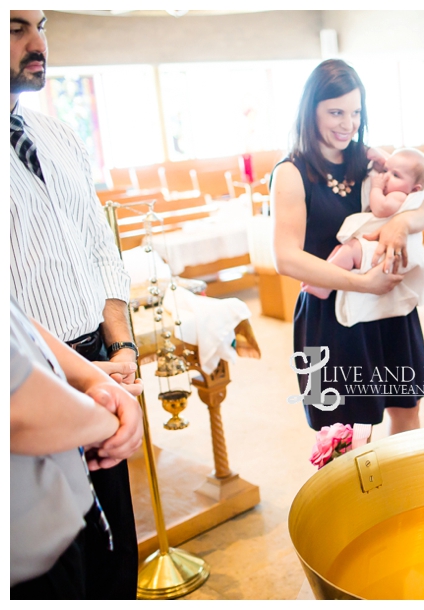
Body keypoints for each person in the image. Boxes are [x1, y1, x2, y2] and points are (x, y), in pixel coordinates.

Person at [10, 10, 141, 598]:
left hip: (96, 364)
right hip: (31, 377)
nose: (39, 44)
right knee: (58, 564)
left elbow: (99, 247)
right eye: (16, 29)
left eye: (41, 26)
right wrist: (83, 384)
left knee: (115, 560)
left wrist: (119, 348)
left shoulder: (57, 134)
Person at [271, 59, 424, 435]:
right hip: (328, 317)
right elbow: (285, 257)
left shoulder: (368, 159)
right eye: (335, 112)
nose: (348, 124)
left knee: (406, 412)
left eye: (355, 112)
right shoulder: (291, 172)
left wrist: (400, 223)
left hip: (388, 309)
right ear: (310, 110)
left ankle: (399, 495)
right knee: (340, 432)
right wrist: (363, 284)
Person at [10, 298, 143, 599]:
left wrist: (93, 379)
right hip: (25, 551)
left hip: (61, 512)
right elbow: (17, 404)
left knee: (115, 561)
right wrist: (113, 422)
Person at [308, 148, 424, 328]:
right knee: (342, 251)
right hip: (374, 243)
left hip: (379, 249)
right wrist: (383, 163)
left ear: (414, 188)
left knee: (349, 251)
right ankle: (324, 276)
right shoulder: (397, 188)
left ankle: (324, 285)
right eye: (385, 171)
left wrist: (376, 188)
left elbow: (380, 208)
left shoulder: (400, 196)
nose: (386, 177)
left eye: (395, 175)